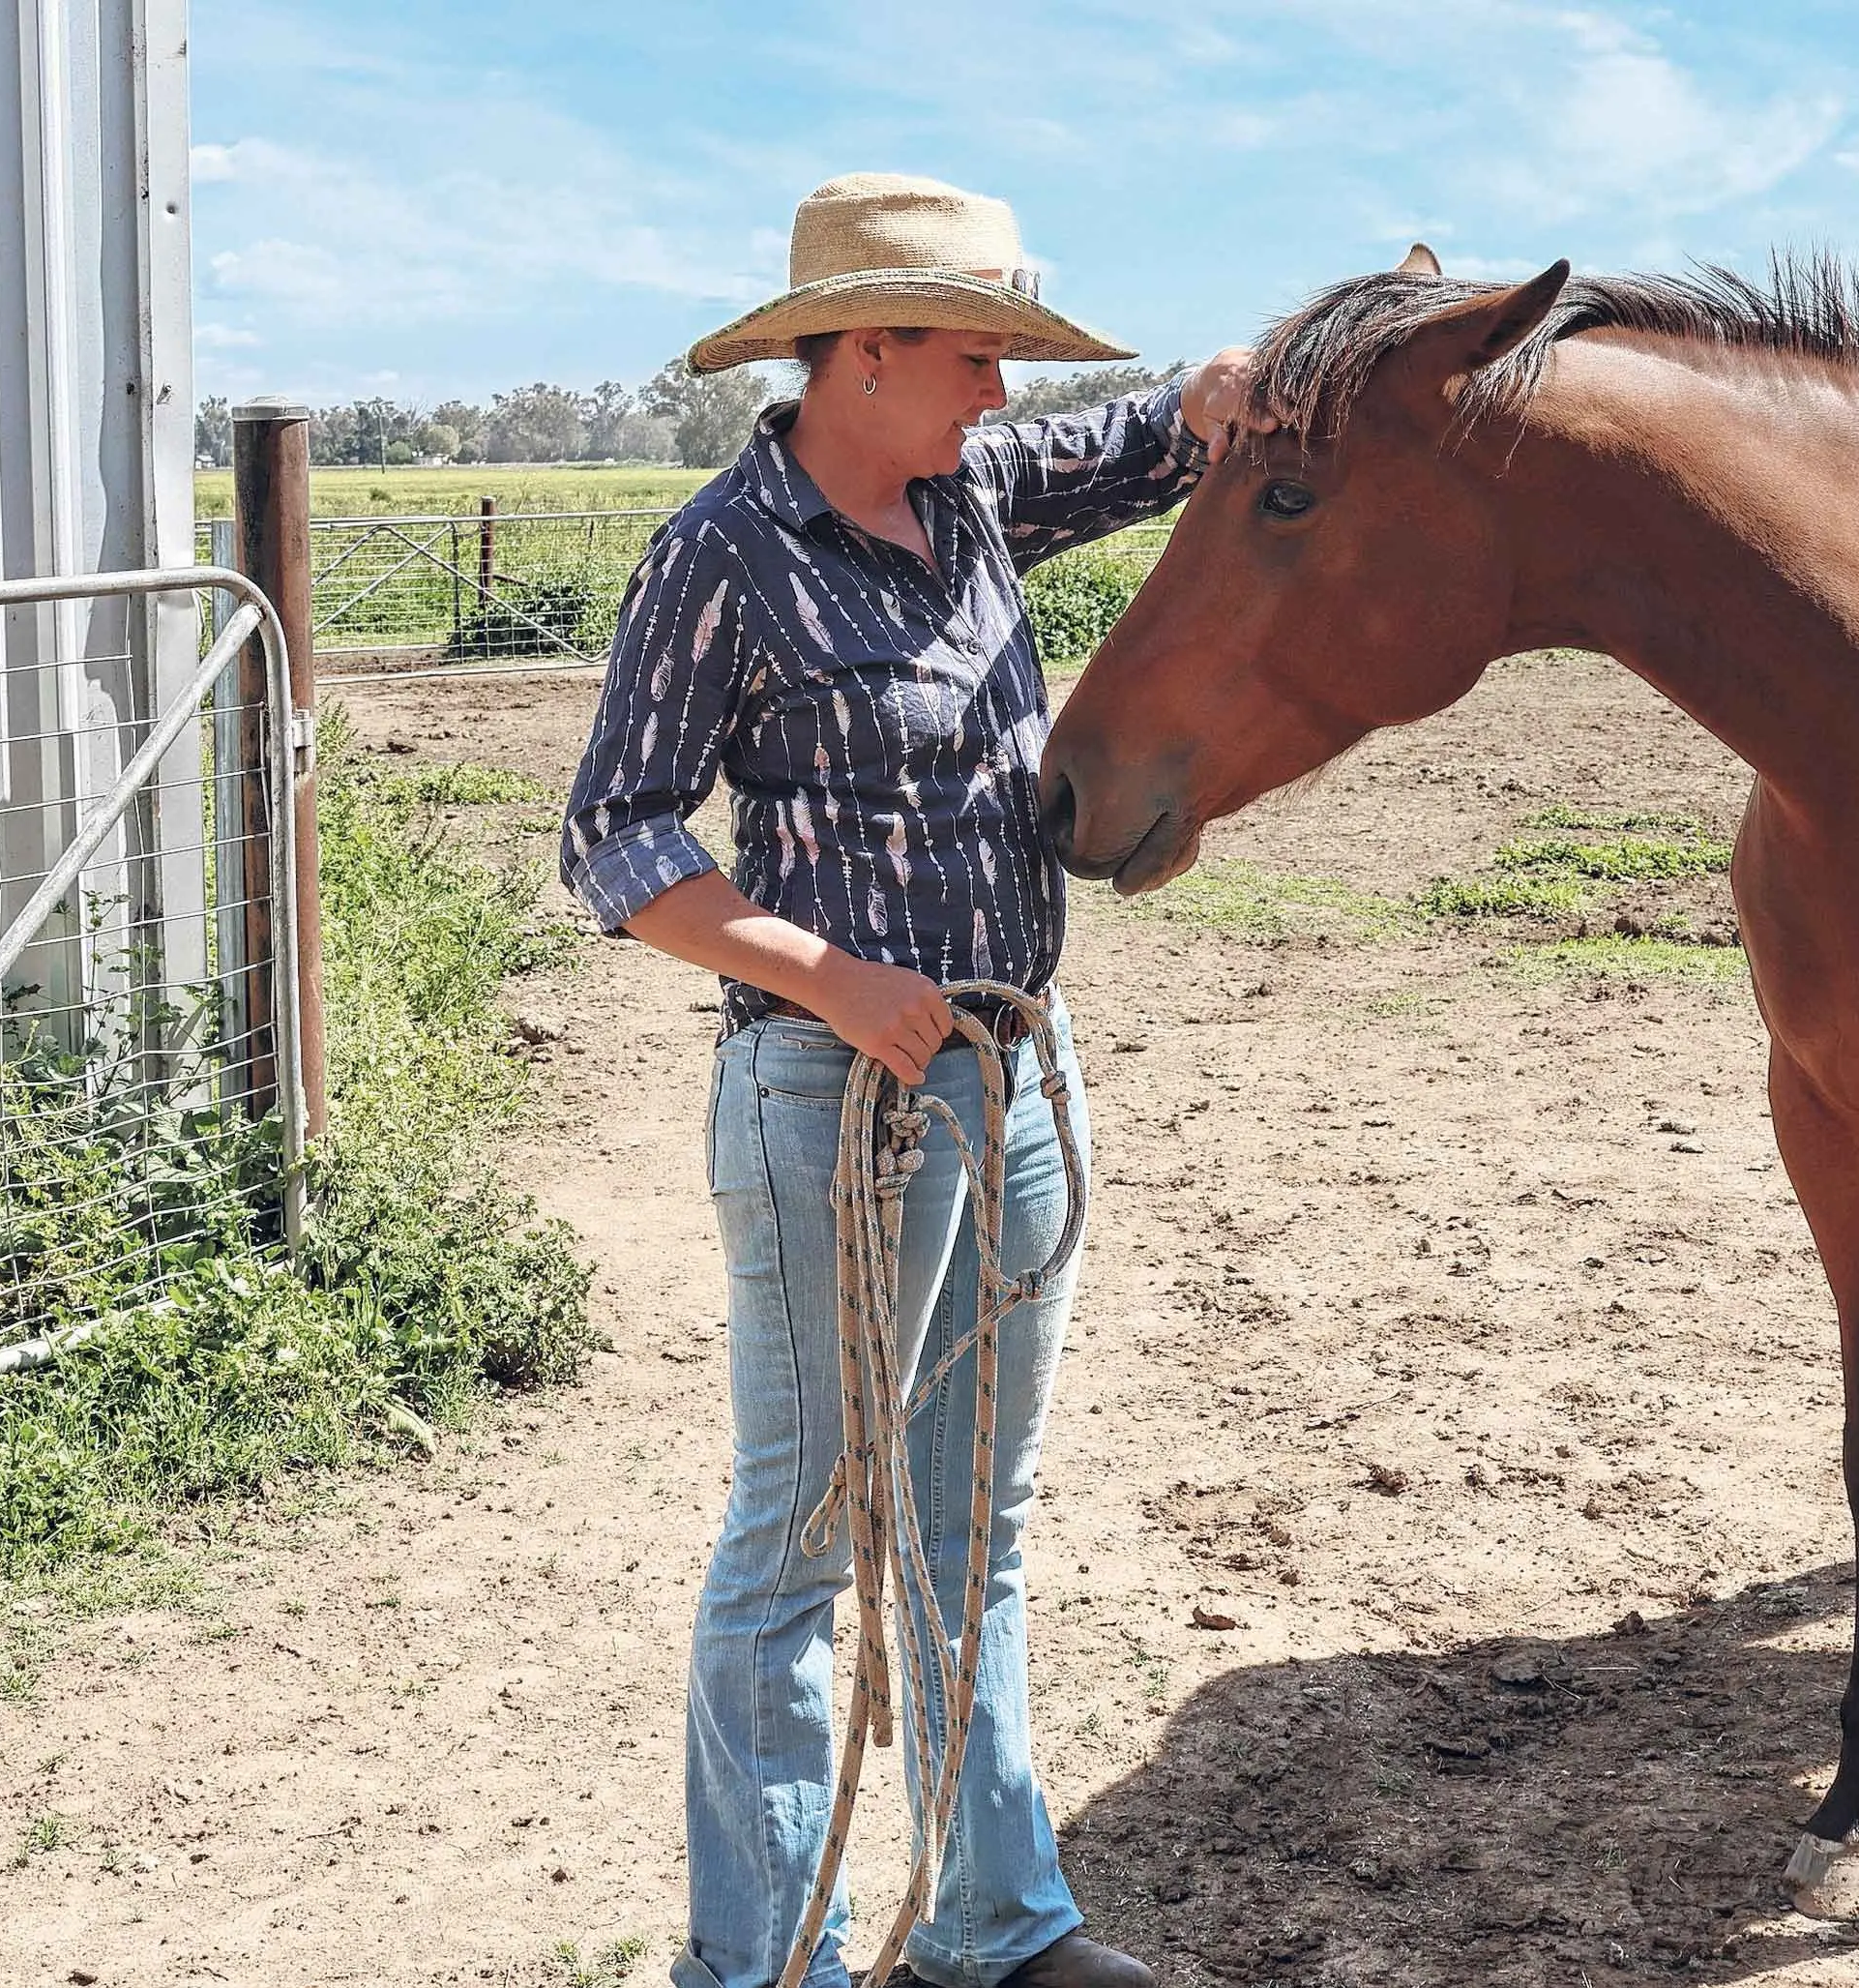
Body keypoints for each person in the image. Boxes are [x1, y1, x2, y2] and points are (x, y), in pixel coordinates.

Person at [559, 171, 1267, 1988]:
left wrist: (1247, 381)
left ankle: (988, 1923)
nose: (1000, 394)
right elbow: (616, 835)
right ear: (859, 352)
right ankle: (763, 1960)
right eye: (974, 356)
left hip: (1013, 1071)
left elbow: (1157, 439)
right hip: (833, 1090)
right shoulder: (722, 553)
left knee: (973, 1512)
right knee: (800, 1533)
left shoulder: (972, 496)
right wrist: (827, 973)